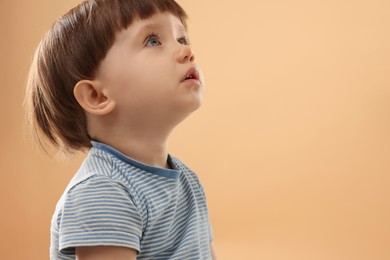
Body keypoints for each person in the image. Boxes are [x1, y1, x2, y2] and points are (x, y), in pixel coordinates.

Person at [25, 0, 216, 259]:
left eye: (181, 38)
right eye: (153, 41)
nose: (187, 51)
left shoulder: (187, 180)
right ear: (96, 96)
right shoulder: (102, 193)